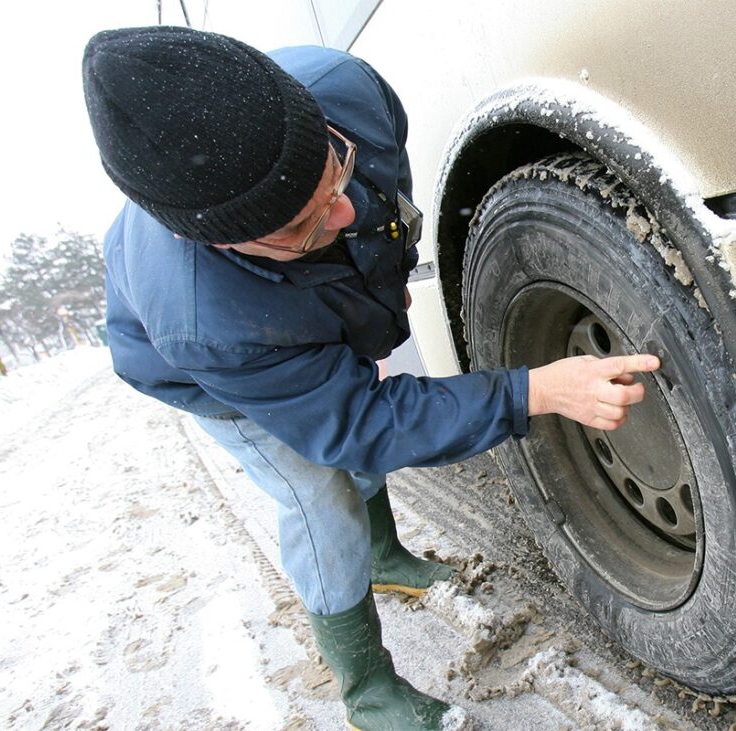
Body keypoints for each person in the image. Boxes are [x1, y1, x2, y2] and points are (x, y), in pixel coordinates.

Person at [82, 26, 659, 731]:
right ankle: (367, 692)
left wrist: (376, 283)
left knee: (355, 371)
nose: (346, 209)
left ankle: (383, 554)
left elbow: (379, 205)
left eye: (336, 171)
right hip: (201, 377)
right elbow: (356, 423)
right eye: (302, 225)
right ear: (224, 242)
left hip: (276, 311)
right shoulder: (210, 323)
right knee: (319, 489)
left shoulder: (344, 88)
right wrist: (535, 390)